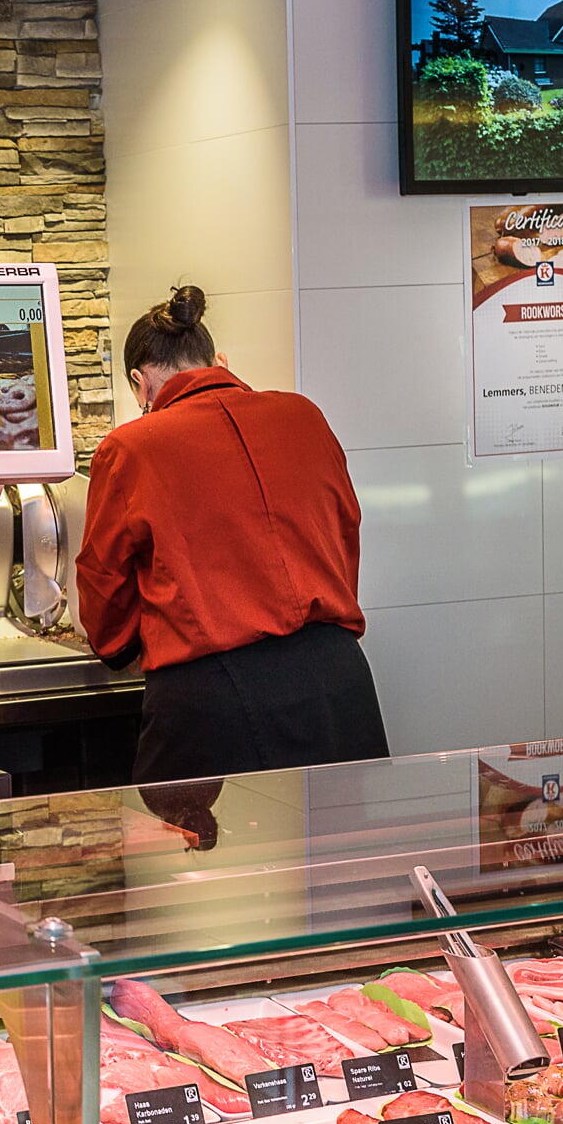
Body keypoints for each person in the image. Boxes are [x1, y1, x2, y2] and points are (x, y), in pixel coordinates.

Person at [75, 285, 387, 786]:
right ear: (218, 360)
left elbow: (103, 577)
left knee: (187, 857)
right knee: (344, 854)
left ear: (139, 383)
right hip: (337, 679)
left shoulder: (130, 448)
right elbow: (344, 528)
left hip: (214, 697)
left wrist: (118, 649)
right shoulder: (303, 415)